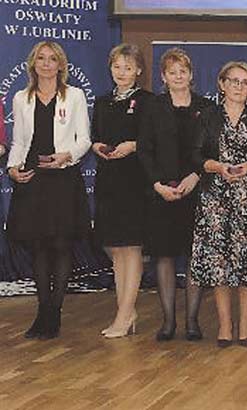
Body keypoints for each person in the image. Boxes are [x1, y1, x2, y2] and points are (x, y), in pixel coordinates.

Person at [7, 41, 92, 340]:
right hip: (33, 177)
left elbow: (84, 139)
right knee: (39, 246)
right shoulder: (21, 98)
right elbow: (19, 141)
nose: (46, 63)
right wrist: (12, 168)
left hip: (63, 177)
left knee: (61, 245)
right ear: (33, 64)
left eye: (52, 59)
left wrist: (67, 155)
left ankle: (54, 312)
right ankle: (42, 312)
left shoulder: (75, 95)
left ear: (60, 65)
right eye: (41, 58)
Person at [191, 61, 247, 348]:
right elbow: (196, 155)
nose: (239, 87)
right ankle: (225, 326)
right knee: (220, 266)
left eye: (245, 82)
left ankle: (246, 326)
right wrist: (218, 167)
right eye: (234, 81)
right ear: (222, 84)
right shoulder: (207, 116)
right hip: (215, 202)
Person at [138, 47, 213, 341]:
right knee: (164, 257)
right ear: (163, 77)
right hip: (162, 193)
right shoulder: (153, 107)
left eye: (183, 71)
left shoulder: (206, 107)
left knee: (195, 257)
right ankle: (168, 321)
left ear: (191, 75)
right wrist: (157, 184)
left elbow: (211, 150)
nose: (178, 76)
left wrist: (196, 176)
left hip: (197, 192)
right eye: (172, 72)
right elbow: (144, 149)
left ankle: (192, 321)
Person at [91, 43, 153, 339]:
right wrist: (97, 147)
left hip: (135, 180)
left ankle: (124, 314)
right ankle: (126, 312)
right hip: (108, 179)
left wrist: (134, 145)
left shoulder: (148, 101)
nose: (122, 72)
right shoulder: (102, 101)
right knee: (116, 248)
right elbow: (94, 136)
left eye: (128, 67)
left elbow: (154, 139)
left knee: (132, 247)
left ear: (138, 70)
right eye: (117, 66)